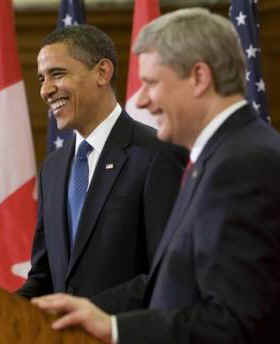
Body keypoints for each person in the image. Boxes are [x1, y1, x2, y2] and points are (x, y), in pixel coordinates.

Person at [32, 8, 280, 344]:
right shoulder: (217, 158)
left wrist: (115, 327)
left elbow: (236, 321)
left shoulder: (243, 162)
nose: (143, 100)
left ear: (199, 77)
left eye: (150, 83)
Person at [18, 24, 186, 302]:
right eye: (41, 79)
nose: (46, 90)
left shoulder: (157, 154)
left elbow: (168, 273)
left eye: (57, 74)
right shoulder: (53, 168)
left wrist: (87, 312)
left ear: (102, 72)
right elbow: (43, 276)